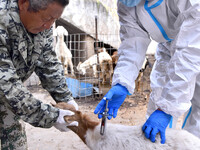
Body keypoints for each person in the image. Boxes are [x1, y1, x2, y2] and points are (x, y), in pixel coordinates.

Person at [94, 0, 200, 144]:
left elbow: (189, 52)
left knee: (198, 111)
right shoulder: (127, 4)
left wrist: (167, 108)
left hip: (195, 43)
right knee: (158, 101)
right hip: (168, 48)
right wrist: (122, 82)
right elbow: (133, 43)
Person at [0, 0, 78, 149]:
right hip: (7, 92)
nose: (49, 26)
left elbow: (47, 61)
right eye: (46, 18)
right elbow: (6, 86)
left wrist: (65, 97)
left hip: (9, 102)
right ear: (23, 3)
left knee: (16, 145)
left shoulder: (43, 25)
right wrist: (53, 116)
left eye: (54, 19)